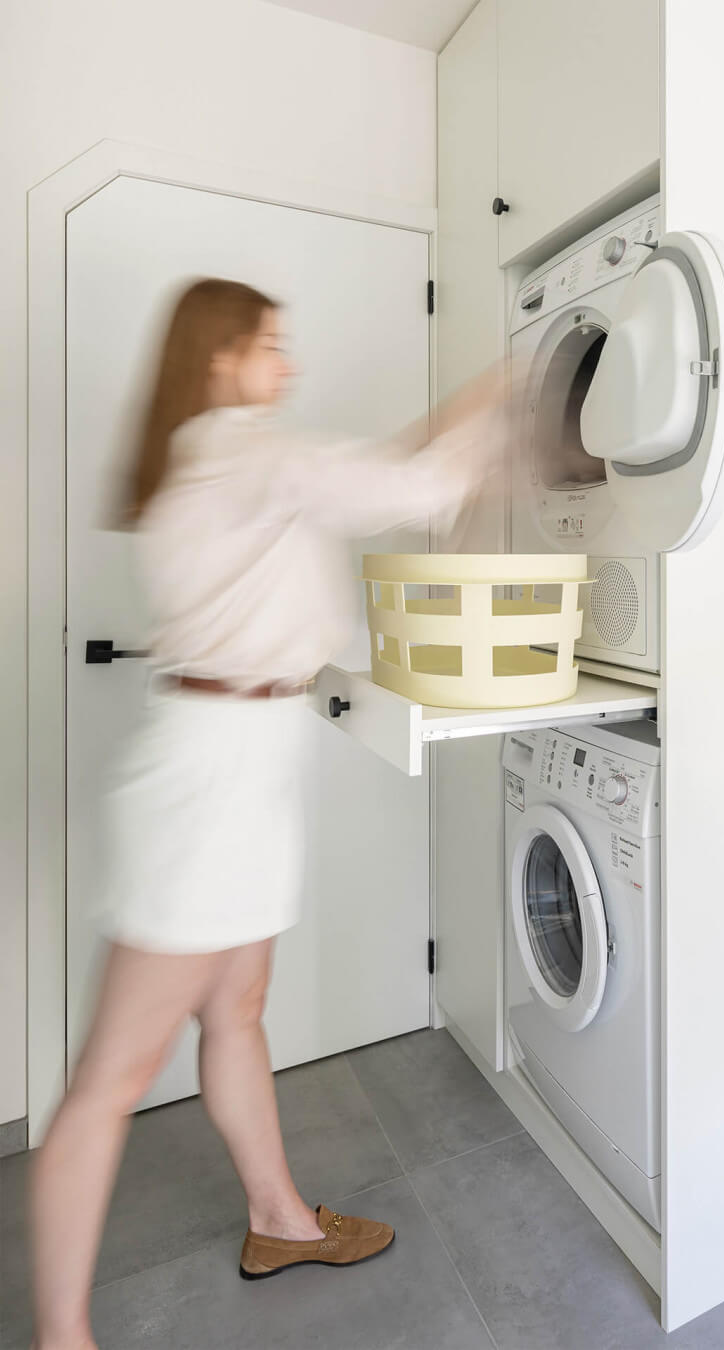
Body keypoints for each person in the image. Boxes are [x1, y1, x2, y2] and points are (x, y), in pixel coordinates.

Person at [29, 278, 507, 1350]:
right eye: (270, 347)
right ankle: (63, 1335)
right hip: (208, 783)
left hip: (237, 760)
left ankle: (279, 1220)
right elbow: (417, 486)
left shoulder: (217, 457)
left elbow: (370, 476)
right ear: (220, 357)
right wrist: (505, 388)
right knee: (109, 1081)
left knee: (239, 1004)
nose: (287, 368)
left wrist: (450, 420)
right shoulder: (245, 451)